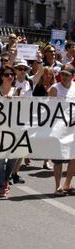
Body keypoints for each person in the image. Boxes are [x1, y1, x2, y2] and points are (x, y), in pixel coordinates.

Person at [0, 65, 19, 197]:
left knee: (13, 157)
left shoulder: (18, 91)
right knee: (0, 159)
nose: (9, 77)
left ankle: (7, 179)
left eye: (12, 74)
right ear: (1, 76)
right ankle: (0, 185)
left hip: (14, 129)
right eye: (6, 74)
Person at [48, 64, 75, 197]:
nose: (63, 77)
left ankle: (67, 184)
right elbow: (48, 110)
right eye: (62, 74)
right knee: (58, 159)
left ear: (72, 76)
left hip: (73, 129)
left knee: (73, 157)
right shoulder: (54, 89)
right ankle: (58, 186)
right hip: (58, 129)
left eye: (67, 75)